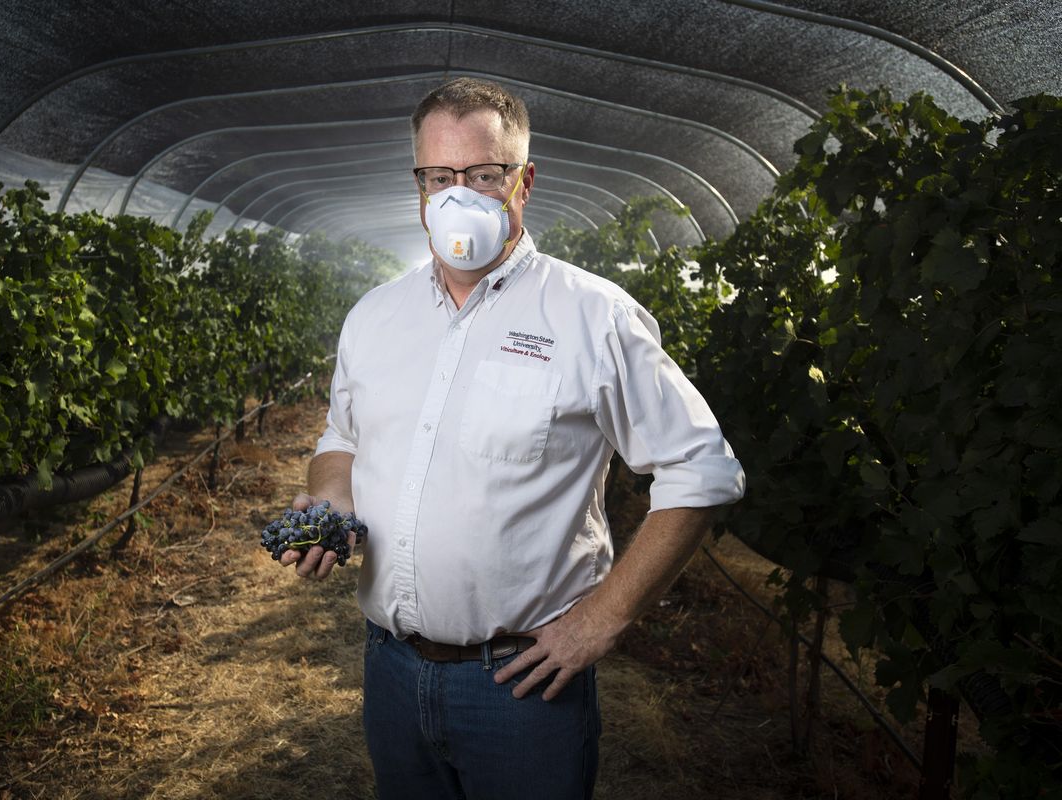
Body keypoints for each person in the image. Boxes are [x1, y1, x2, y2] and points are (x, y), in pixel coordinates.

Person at [279, 77, 746, 800]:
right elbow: (342, 436)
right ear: (419, 184)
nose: (457, 195)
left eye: (483, 175)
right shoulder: (376, 315)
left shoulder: (592, 316)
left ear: (525, 181)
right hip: (391, 672)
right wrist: (328, 504)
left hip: (519, 688)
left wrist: (601, 620)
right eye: (439, 176)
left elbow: (701, 471)